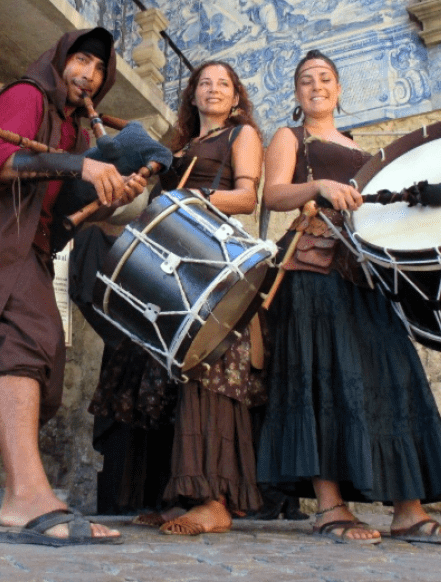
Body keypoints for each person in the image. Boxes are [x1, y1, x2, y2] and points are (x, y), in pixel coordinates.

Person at [0, 27, 146, 546]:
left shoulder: (74, 130)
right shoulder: (26, 95)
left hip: (29, 252)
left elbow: (59, 209)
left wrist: (109, 195)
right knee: (21, 350)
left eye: (99, 68)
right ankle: (26, 499)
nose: (89, 74)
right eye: (81, 60)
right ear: (60, 60)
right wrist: (80, 164)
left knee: (44, 375)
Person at [257, 50, 441, 545]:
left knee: (393, 374)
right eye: (306, 80)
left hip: (365, 272)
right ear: (297, 93)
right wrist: (319, 185)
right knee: (321, 379)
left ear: (338, 90)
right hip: (313, 268)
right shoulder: (291, 137)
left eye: (325, 79)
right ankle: (330, 508)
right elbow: (273, 194)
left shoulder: (359, 149)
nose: (316, 86)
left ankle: (408, 511)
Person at [127, 60, 266, 536]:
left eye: (223, 84)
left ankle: (214, 502)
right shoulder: (176, 148)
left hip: (216, 260)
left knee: (209, 373)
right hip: (174, 259)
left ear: (235, 97)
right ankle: (179, 498)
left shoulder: (241, 135)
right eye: (204, 83)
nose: (213, 90)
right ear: (192, 94)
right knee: (173, 375)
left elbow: (246, 198)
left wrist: (189, 199)